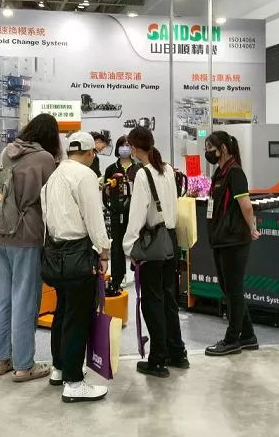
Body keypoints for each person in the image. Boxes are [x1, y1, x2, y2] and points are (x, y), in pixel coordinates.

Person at [0, 114, 59, 382]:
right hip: (27, 232)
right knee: (25, 299)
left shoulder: (8, 151)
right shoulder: (45, 158)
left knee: (1, 297)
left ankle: (0, 359)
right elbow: (51, 197)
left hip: (0, 230)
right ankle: (24, 365)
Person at [41, 131, 111, 403]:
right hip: (78, 253)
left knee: (62, 311)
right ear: (91, 152)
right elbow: (94, 218)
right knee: (78, 316)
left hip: (54, 252)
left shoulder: (54, 176)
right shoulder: (85, 176)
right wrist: (104, 252)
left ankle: (59, 369)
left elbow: (46, 215)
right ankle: (73, 382)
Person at [122, 127, 188, 377]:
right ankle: (177, 352)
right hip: (170, 239)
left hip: (152, 242)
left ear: (134, 147)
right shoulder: (167, 169)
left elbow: (137, 214)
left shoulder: (143, 174)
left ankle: (157, 359)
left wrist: (129, 246)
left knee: (152, 301)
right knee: (169, 299)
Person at [203, 131, 260, 357]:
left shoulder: (235, 172)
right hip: (221, 238)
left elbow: (246, 204)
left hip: (234, 239)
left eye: (210, 148)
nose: (207, 152)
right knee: (227, 288)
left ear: (223, 148)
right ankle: (248, 336)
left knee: (233, 290)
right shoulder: (220, 172)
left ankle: (232, 339)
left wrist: (252, 227)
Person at [102, 135, 138, 296]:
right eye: (122, 145)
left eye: (128, 145)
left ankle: (137, 272)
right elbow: (106, 190)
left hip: (134, 211)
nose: (125, 148)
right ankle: (117, 278)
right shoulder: (111, 169)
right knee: (117, 245)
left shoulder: (138, 169)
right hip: (116, 211)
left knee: (135, 242)